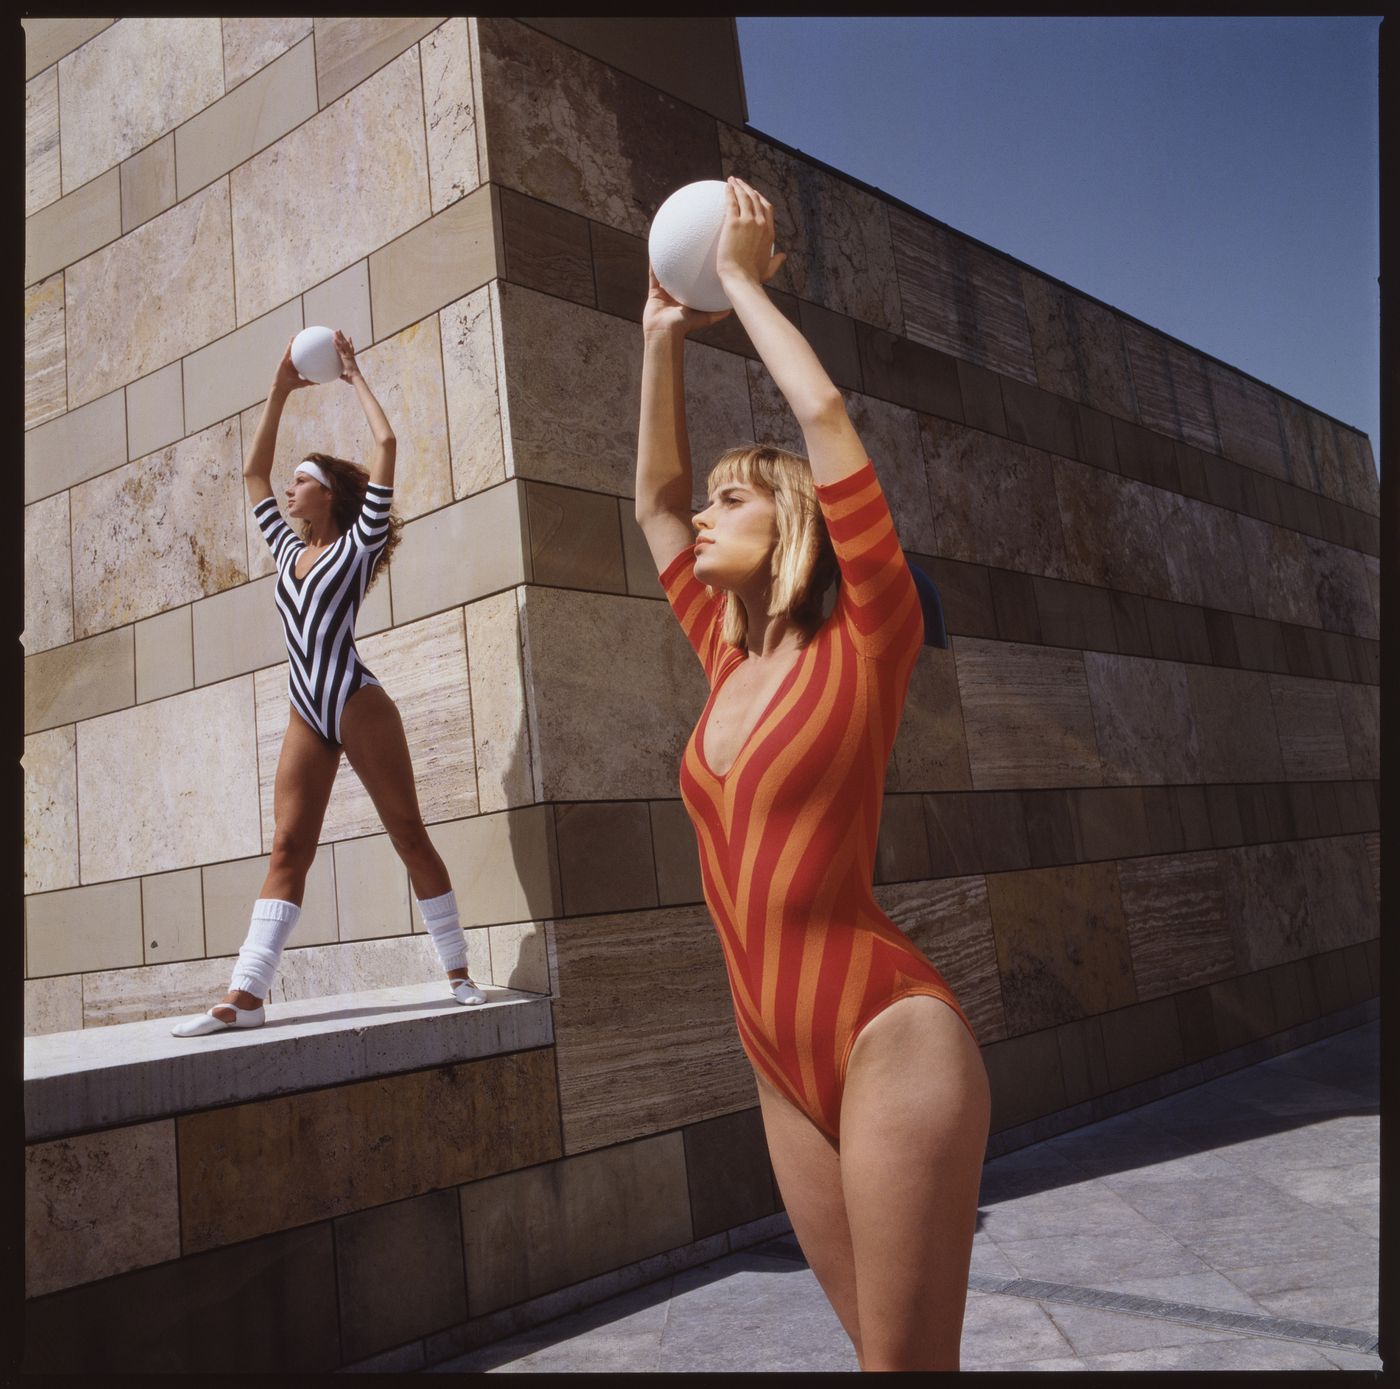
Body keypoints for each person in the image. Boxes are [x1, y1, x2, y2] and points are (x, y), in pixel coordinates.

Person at [635, 178, 990, 1370]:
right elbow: (651, 501)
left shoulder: (870, 634)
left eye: (732, 501)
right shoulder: (717, 657)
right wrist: (657, 342)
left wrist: (737, 283)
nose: (703, 520)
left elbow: (826, 415)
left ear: (785, 525)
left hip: (884, 1034)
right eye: (711, 500)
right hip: (774, 1060)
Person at [172, 332, 485, 1036]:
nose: (288, 487)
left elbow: (388, 445)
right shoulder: (288, 550)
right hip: (304, 707)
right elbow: (252, 474)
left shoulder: (357, 540)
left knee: (407, 832)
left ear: (329, 493)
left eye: (302, 479)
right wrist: (280, 387)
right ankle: (246, 995)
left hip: (354, 697)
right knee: (289, 847)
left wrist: (354, 377)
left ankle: (458, 971)